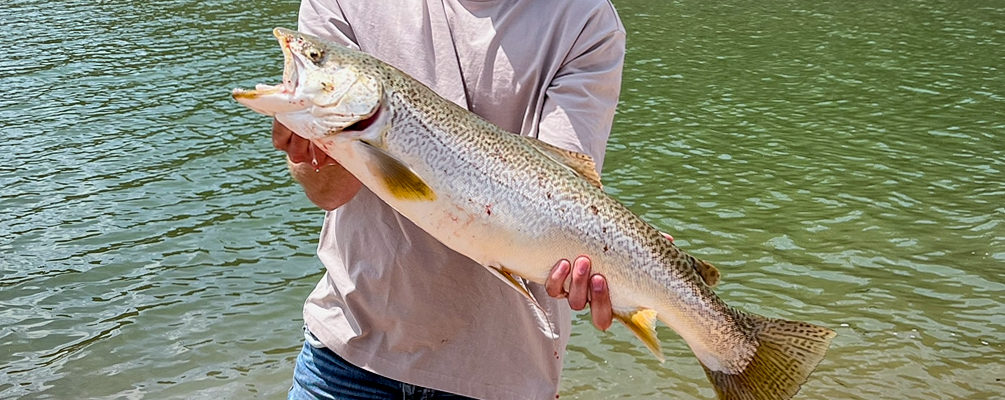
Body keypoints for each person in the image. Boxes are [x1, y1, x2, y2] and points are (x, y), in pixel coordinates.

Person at [275, 0, 628, 398]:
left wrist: (618, 255)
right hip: (347, 356)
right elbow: (329, 193)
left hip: (502, 375)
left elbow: (561, 195)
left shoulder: (586, 19)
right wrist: (322, 140)